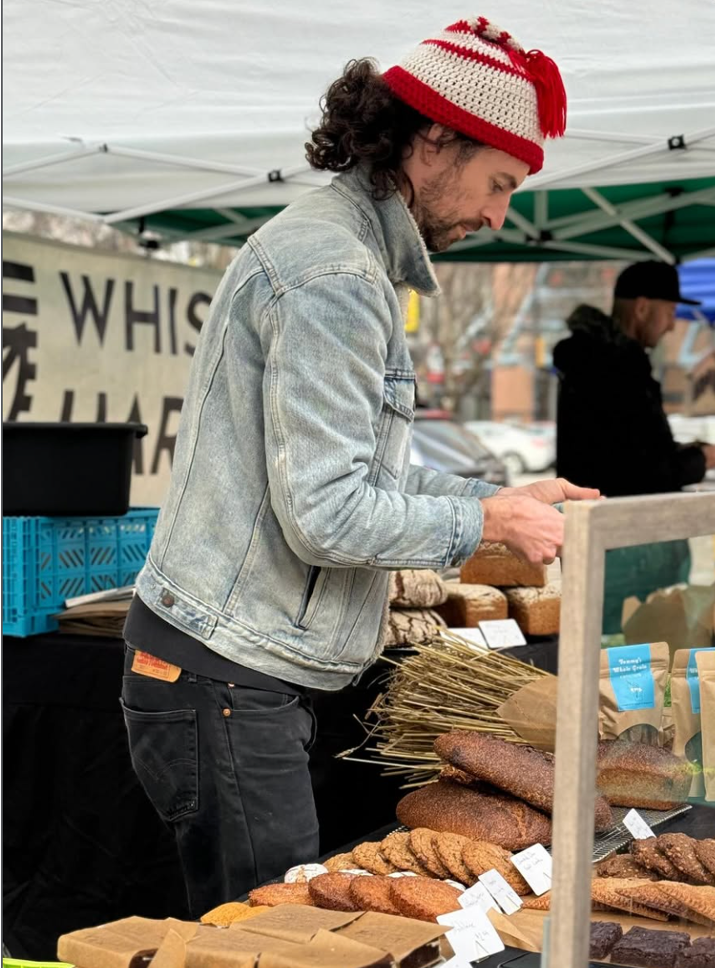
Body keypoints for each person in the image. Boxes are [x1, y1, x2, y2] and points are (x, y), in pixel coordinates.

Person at [121, 16, 599, 917]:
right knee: (268, 946)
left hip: (239, 671)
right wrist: (490, 524)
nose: (501, 215)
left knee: (267, 936)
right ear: (433, 142)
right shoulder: (336, 273)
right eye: (499, 183)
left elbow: (360, 478)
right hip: (226, 676)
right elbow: (330, 514)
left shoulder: (350, 259)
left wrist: (494, 495)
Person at [553, 260, 715, 632]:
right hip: (627, 539)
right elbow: (643, 469)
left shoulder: (595, 364)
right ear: (642, 308)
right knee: (629, 650)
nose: (673, 324)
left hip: (602, 532)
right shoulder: (618, 370)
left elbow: (629, 451)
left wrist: (690, 456)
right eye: (670, 311)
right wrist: (698, 459)